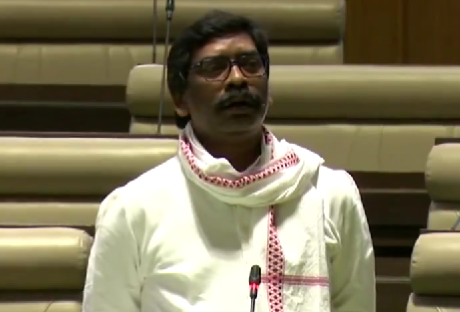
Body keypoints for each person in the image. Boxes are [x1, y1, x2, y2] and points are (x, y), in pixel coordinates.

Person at [82, 10, 375, 312]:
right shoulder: (133, 209)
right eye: (214, 68)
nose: (237, 79)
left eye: (250, 65)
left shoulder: (329, 193)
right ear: (180, 99)